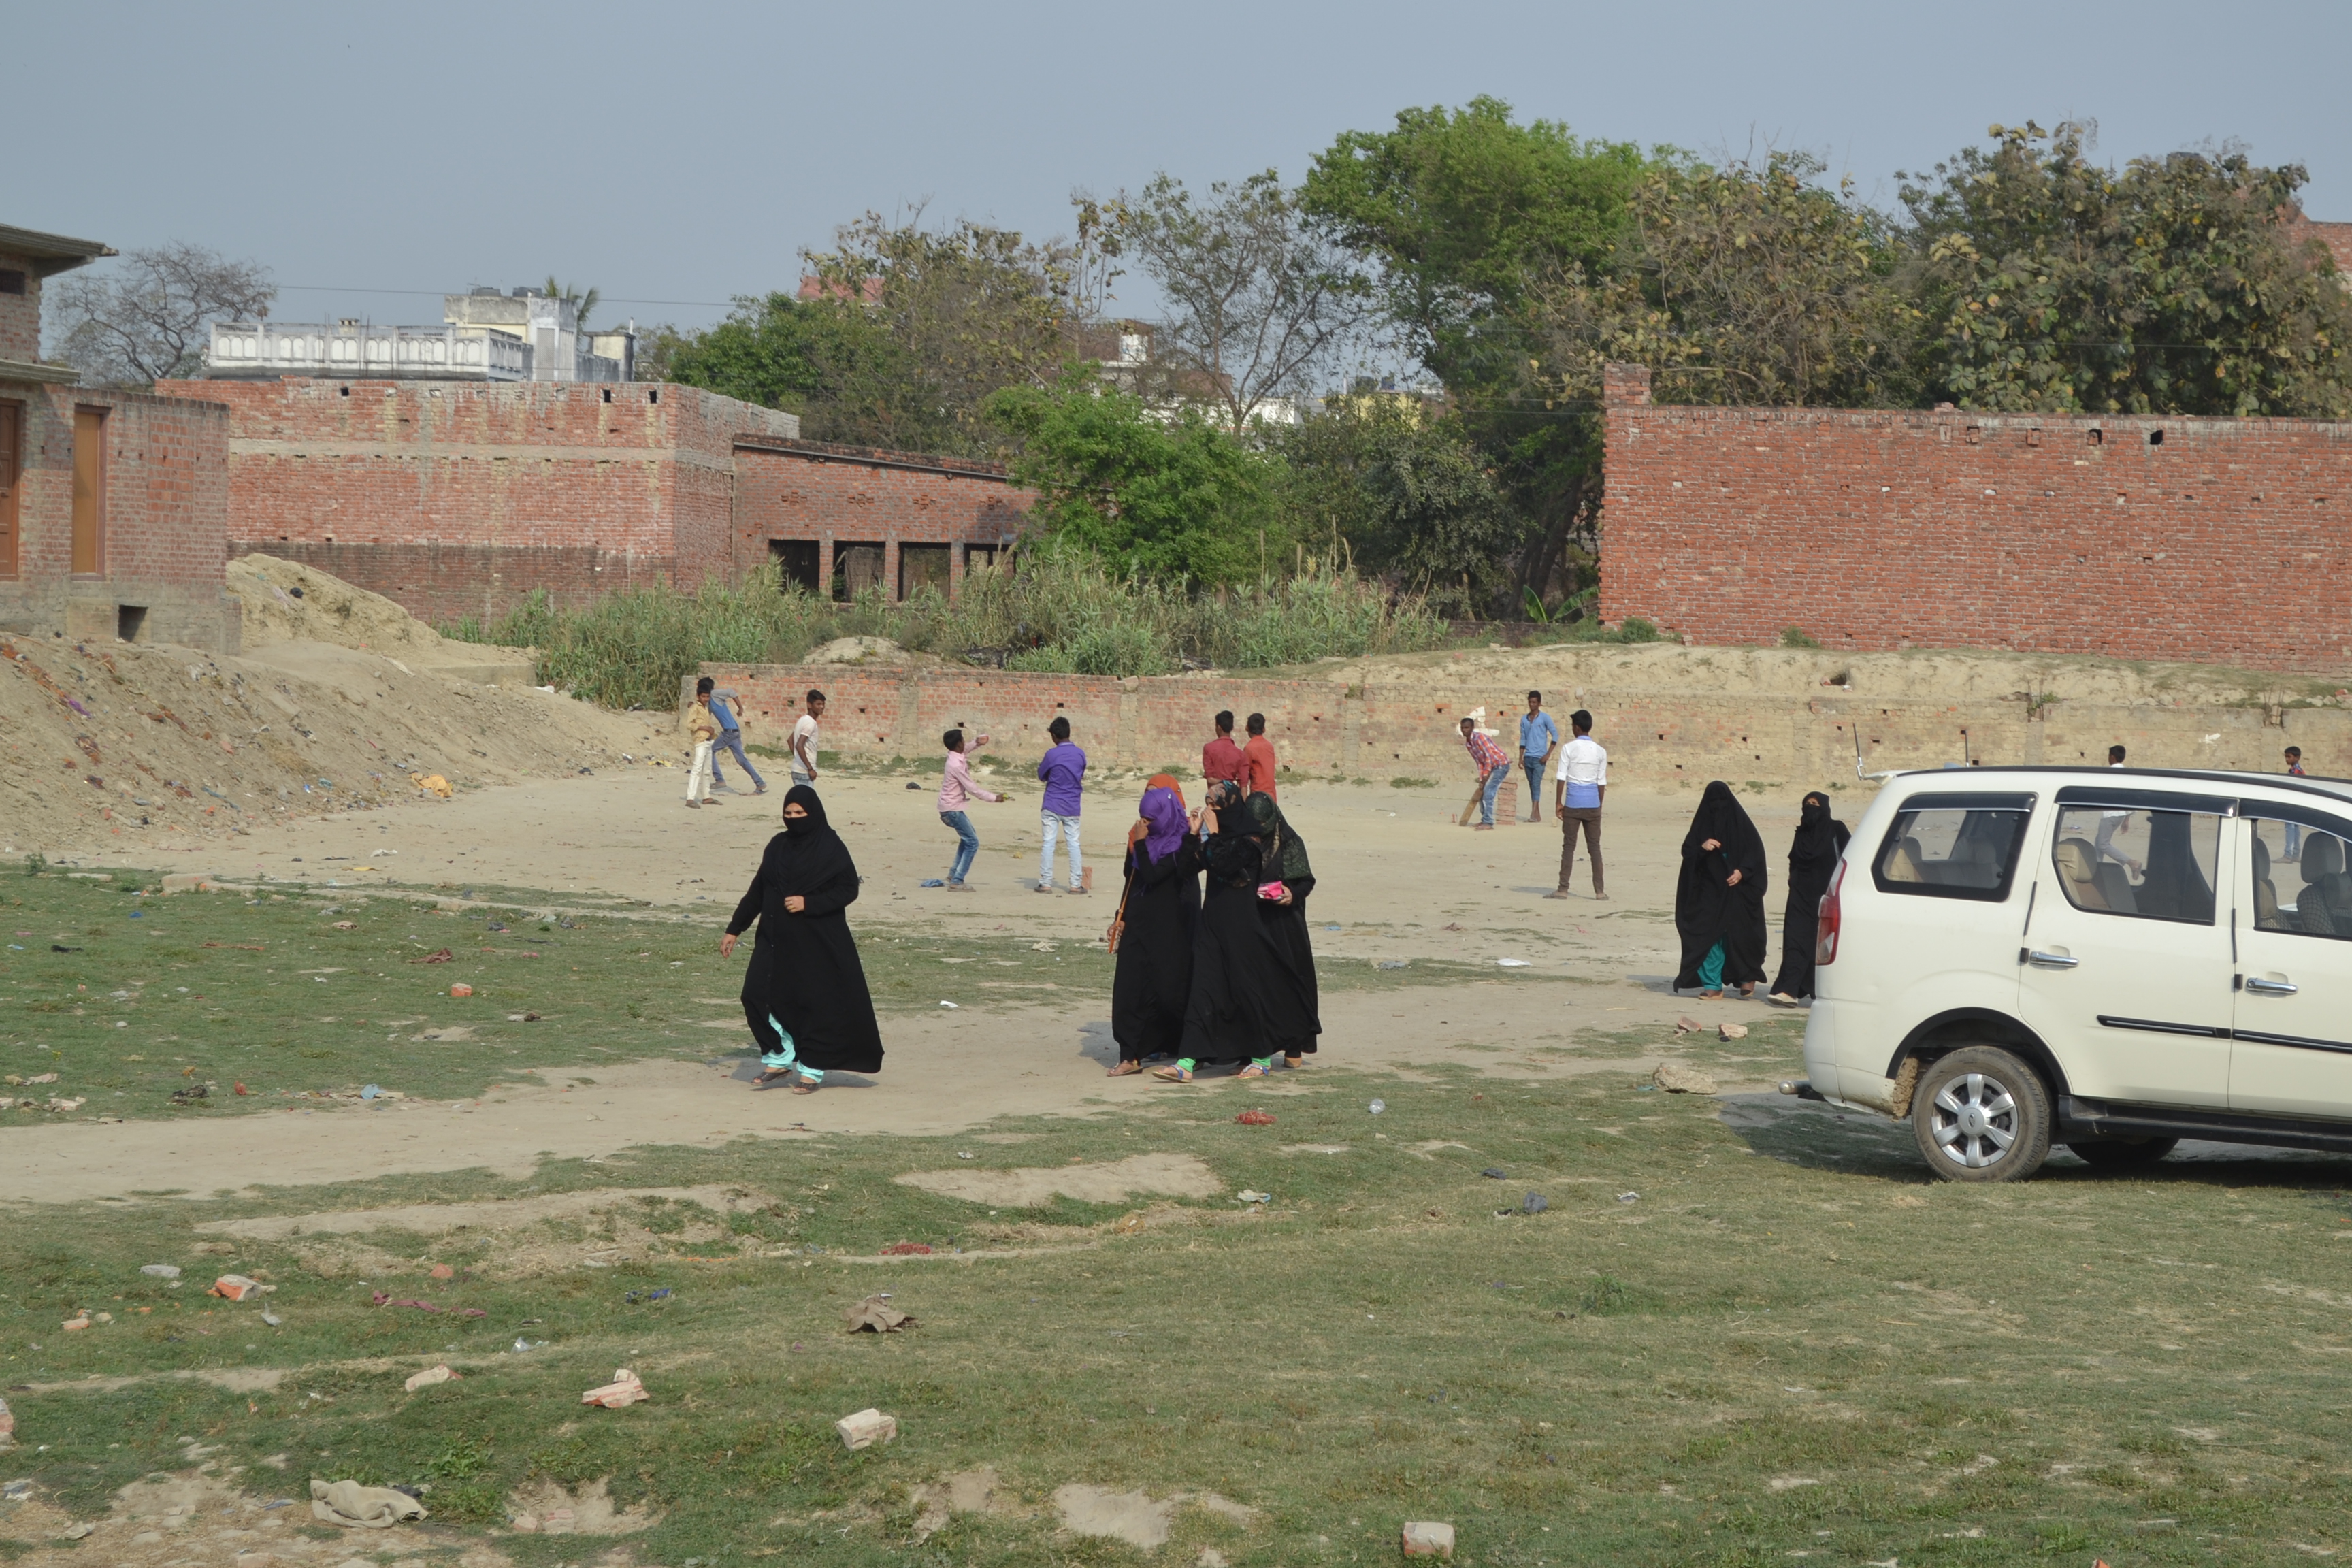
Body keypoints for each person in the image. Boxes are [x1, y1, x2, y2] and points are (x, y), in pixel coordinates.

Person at [719, 785, 883, 1094]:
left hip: (817, 941)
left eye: (800, 813)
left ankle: (811, 1069)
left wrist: (809, 903)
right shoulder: (777, 846)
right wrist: (735, 928)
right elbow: (759, 890)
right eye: (788, 813)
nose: (793, 818)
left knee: (813, 1004)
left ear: (814, 813)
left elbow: (848, 889)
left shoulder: (831, 847)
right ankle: (780, 1057)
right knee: (755, 995)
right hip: (774, 939)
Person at [1156, 783, 1320, 1081]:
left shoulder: (1250, 842)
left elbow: (1225, 864)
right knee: (1202, 990)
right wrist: (1193, 835)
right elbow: (1186, 869)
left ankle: (1260, 1059)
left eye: (1215, 806)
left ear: (1230, 808)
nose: (1209, 812)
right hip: (1212, 926)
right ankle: (1186, 1063)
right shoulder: (1216, 841)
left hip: (1242, 929)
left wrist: (1215, 833)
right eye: (1207, 804)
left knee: (1248, 992)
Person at [1107, 783, 1200, 1075]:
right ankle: (1129, 1055)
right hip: (1139, 926)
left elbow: (1153, 874)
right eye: (1142, 818)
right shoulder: (1142, 840)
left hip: (1170, 932)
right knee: (1129, 989)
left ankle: (1176, 1046)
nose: (1144, 824)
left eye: (1150, 820)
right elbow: (1134, 878)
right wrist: (1120, 916)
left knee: (1169, 992)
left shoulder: (1182, 845)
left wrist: (1142, 844)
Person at [1673, 781, 1769, 999]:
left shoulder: (1742, 826)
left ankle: (1747, 978)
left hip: (1738, 890)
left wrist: (1742, 872)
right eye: (1713, 802)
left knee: (1741, 934)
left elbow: (1755, 853)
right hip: (1709, 891)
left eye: (1722, 801)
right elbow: (1688, 852)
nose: (1718, 806)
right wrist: (1702, 847)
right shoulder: (1701, 827)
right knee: (1709, 935)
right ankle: (1713, 985)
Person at [1767, 791, 1850, 1004]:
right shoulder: (1801, 832)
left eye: (1815, 804)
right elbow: (1794, 859)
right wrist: (1792, 879)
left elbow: (1850, 858)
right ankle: (1788, 990)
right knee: (1795, 938)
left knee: (1821, 943)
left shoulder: (1836, 829)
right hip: (1799, 894)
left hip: (1826, 895)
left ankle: (1819, 990)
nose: (1811, 807)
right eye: (1807, 803)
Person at [1546, 709, 1607, 899]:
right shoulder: (1600, 751)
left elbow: (1561, 777)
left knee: (1569, 847)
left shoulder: (1569, 748)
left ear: (1577, 727)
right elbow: (1601, 782)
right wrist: (1598, 806)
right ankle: (1600, 891)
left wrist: (1559, 802)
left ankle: (1563, 889)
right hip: (1593, 804)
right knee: (1595, 848)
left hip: (1573, 804)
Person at [936, 728, 1007, 890]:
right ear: (959, 744)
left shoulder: (954, 756)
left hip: (949, 808)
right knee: (972, 842)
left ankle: (953, 874)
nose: (964, 743)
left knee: (967, 839)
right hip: (951, 810)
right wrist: (995, 798)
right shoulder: (955, 765)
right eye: (963, 740)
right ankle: (957, 880)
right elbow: (973, 789)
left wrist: (977, 742)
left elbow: (964, 750)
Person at [1036, 716, 1087, 894]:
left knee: (1048, 843)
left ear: (1054, 736)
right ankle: (1075, 884)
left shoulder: (1052, 754)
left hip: (1052, 803)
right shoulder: (1080, 754)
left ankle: (1045, 883)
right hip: (1072, 805)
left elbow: (1041, 775)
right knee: (1073, 844)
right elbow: (1080, 773)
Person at [702, 677, 766, 796]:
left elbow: (731, 692)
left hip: (730, 733)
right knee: (741, 760)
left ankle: (720, 780)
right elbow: (706, 716)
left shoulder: (715, 694)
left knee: (710, 751)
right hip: (734, 733)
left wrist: (740, 708)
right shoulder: (710, 702)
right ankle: (760, 782)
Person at [2094, 744, 2140, 875]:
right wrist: (2127, 819)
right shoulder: (2127, 775)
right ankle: (2097, 869)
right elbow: (2130, 797)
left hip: (2110, 815)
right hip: (2120, 815)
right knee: (2099, 843)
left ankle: (2132, 863)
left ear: (2112, 757)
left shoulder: (2109, 774)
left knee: (2102, 844)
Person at [1460, 715, 1511, 830]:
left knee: (1489, 791)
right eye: (1462, 728)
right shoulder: (1468, 744)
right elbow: (1479, 762)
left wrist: (1486, 774)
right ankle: (1484, 819)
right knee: (1482, 791)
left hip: (1500, 765)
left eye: (1467, 728)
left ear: (1472, 728)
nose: (1464, 730)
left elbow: (1489, 756)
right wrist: (1481, 778)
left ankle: (1489, 822)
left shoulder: (1480, 738)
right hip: (1491, 766)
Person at [1518, 691, 1559, 823]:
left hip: (1539, 758)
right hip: (1528, 757)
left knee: (1536, 784)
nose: (1532, 705)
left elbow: (1555, 735)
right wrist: (1521, 757)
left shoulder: (1545, 718)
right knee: (1532, 785)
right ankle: (1537, 814)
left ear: (1539, 703)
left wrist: (1548, 754)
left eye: (1534, 702)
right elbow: (1523, 738)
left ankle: (1533, 814)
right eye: (1530, 702)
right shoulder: (1524, 719)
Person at [682, 683, 721, 808]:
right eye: (703, 696)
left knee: (707, 771)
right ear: (698, 696)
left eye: (708, 696)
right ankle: (690, 798)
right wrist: (705, 728)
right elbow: (690, 724)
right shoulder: (695, 708)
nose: (706, 699)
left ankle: (706, 796)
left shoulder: (706, 708)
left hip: (708, 741)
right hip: (700, 741)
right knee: (696, 770)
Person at [789, 691, 826, 789]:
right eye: (818, 704)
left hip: (798, 769)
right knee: (806, 799)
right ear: (809, 705)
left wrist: (798, 758)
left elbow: (790, 741)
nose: (822, 707)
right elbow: (799, 745)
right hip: (804, 772)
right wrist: (810, 768)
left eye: (823, 704)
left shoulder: (802, 720)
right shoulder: (810, 723)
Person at [1203, 710, 1246, 791]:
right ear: (1232, 727)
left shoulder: (1209, 748)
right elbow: (1243, 784)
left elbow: (1210, 779)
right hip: (1232, 794)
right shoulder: (1240, 754)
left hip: (1215, 795)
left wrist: (1224, 783)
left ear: (1218, 727)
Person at [1241, 713, 1279, 800]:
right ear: (1264, 729)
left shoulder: (1249, 748)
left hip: (1257, 796)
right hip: (1271, 795)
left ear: (1247, 728)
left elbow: (1244, 776)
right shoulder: (1269, 746)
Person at [2283, 747, 2307, 861]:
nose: (2287, 759)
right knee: (2296, 827)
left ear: (2297, 757)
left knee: (2290, 827)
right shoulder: (2299, 770)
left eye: (2289, 757)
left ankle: (2288, 854)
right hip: (2298, 801)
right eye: (2286, 757)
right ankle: (2296, 854)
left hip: (2293, 801)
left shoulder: (2295, 772)